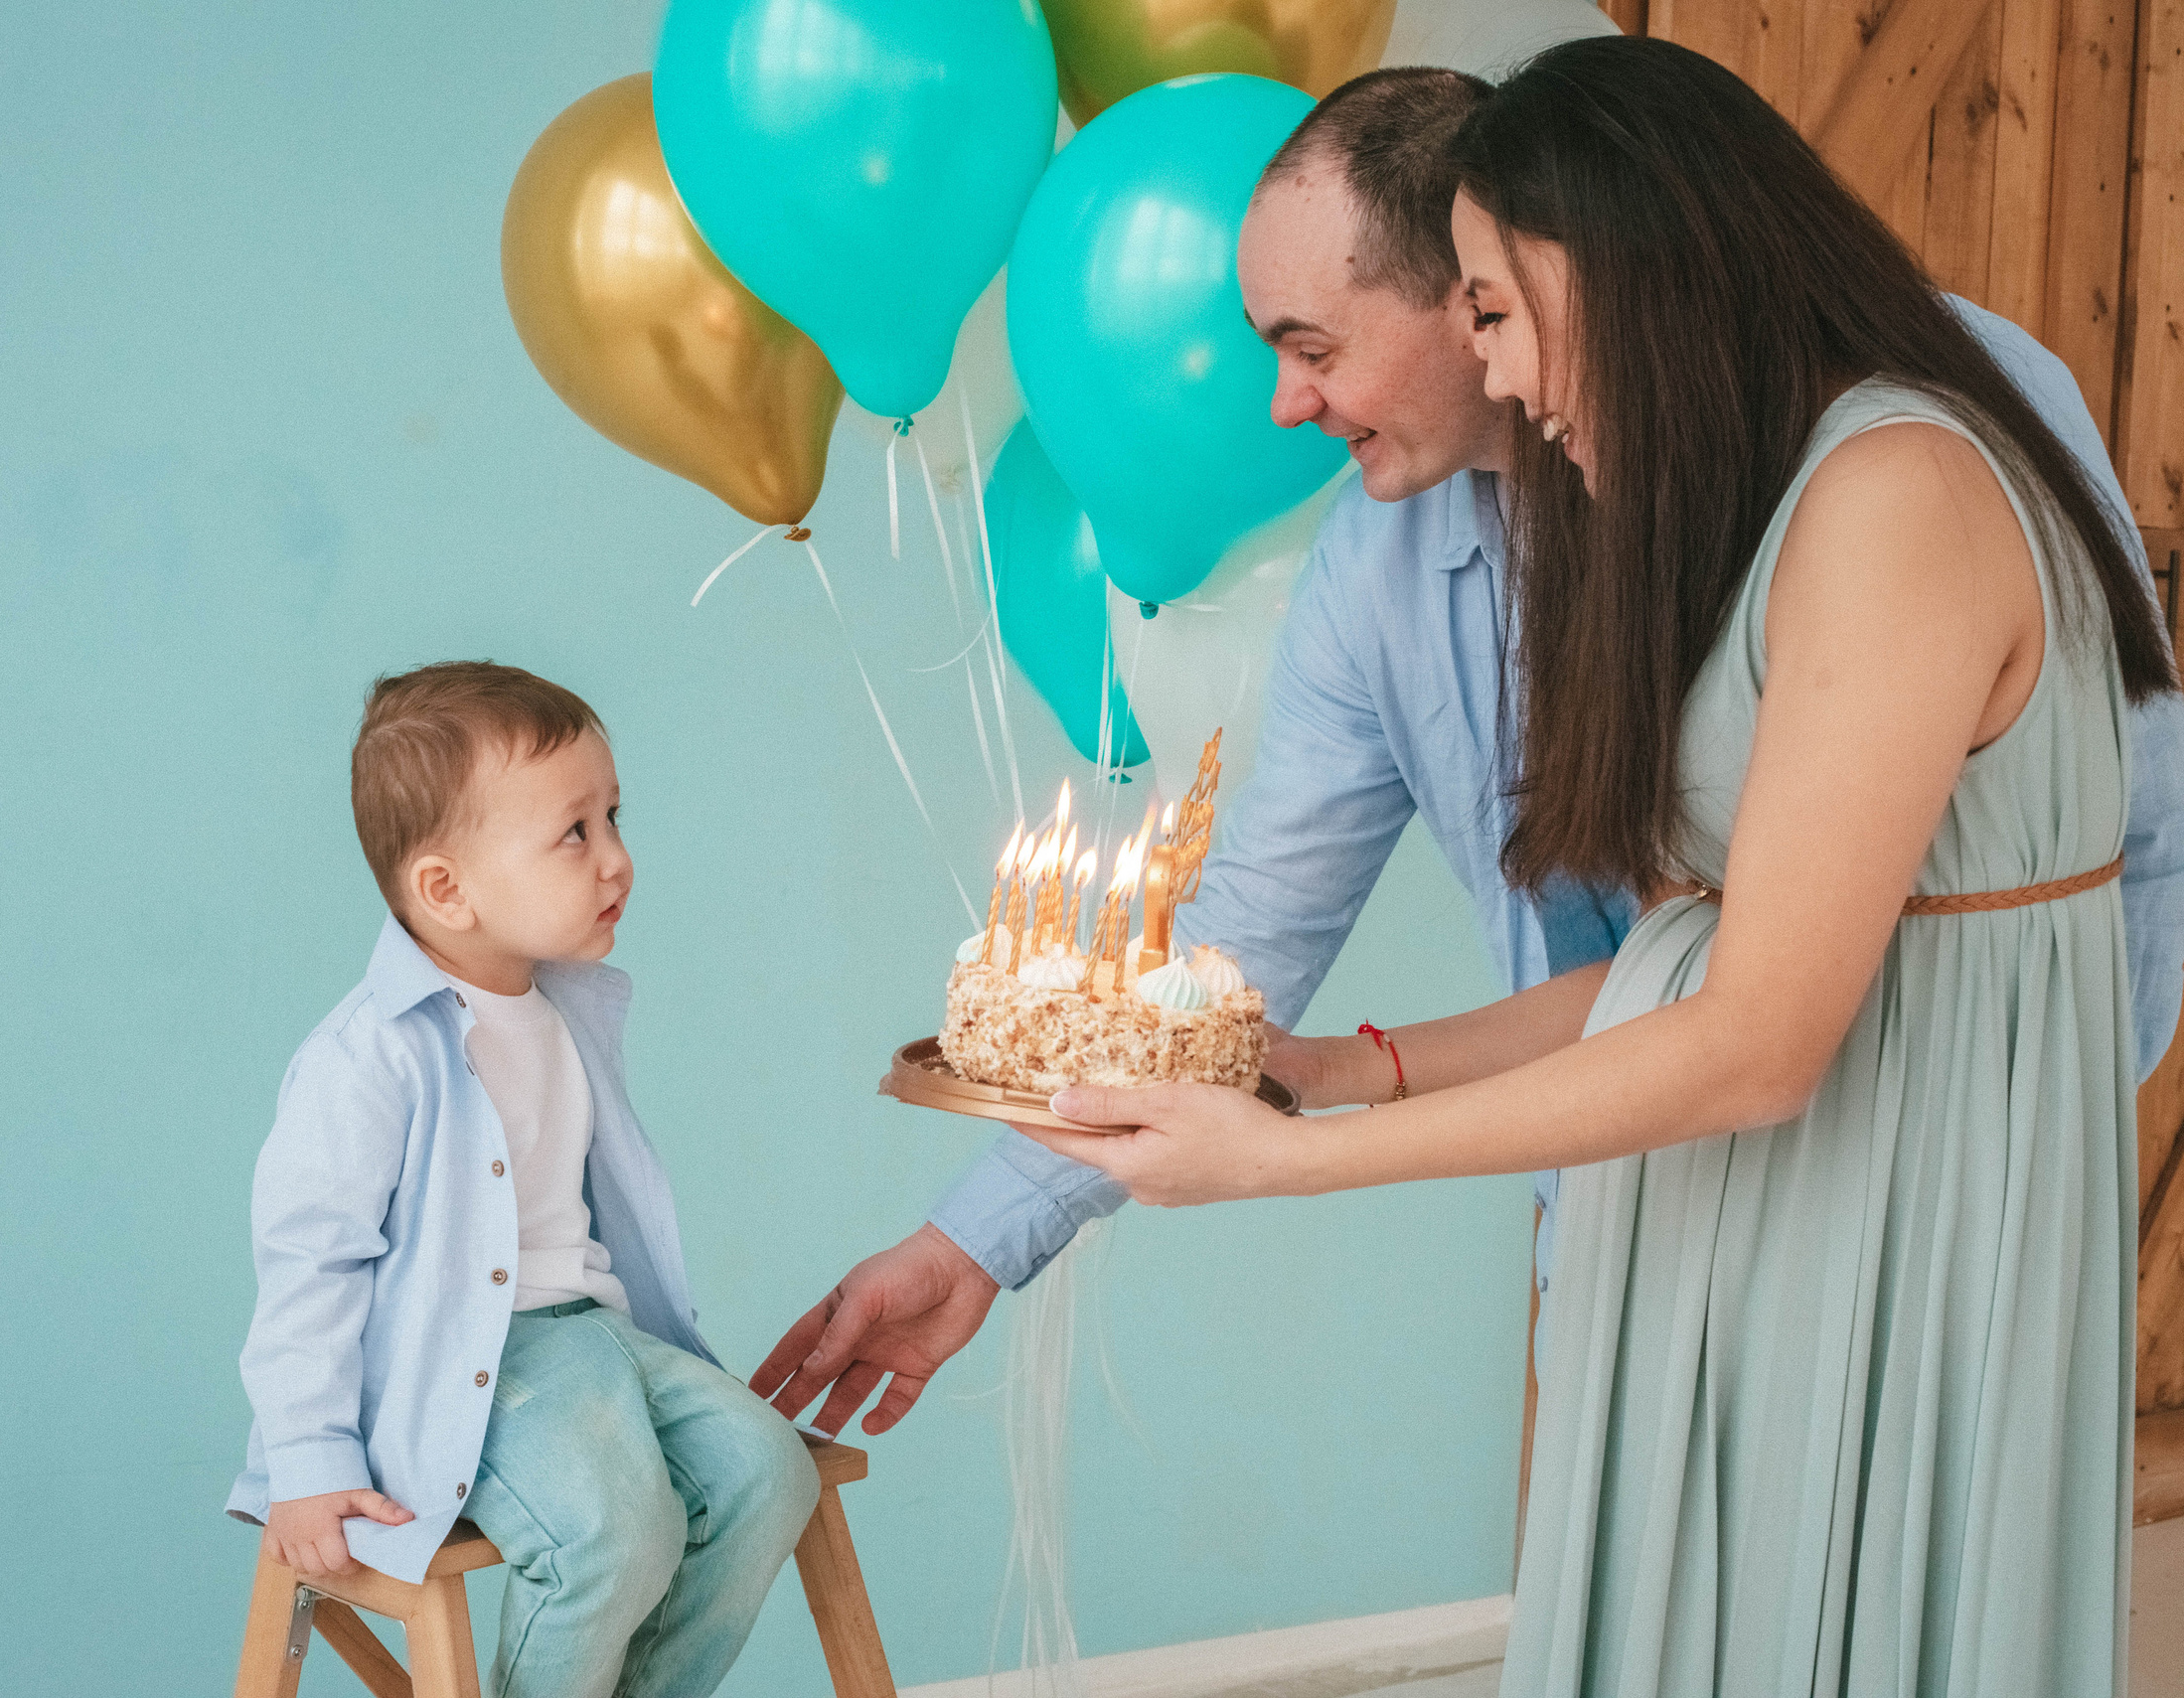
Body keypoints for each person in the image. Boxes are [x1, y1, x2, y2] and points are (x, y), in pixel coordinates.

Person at [751, 66, 2184, 1442]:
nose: (1285, 405)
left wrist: (2015, 1150)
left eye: (1315, 345)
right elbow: (1247, 936)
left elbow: (2118, 822)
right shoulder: (1375, 574)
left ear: (1479, 290)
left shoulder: (1908, 434)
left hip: (1918, 1194)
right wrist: (972, 1243)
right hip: (1608, 1198)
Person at [1007, 35, 2173, 1692]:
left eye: (1494, 309)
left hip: (1891, 1210)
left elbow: (1760, 1035)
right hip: (1751, 1203)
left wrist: (1286, 1164)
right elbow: (1693, 948)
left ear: (1625, 262)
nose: (1504, 370)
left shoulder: (1898, 488)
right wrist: (1343, 1069)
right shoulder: (1763, 499)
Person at [226, 662, 820, 1698]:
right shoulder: (369, 1055)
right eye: (574, 833)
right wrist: (310, 1455)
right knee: (614, 1530)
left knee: (770, 1472)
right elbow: (308, 1261)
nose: (617, 859)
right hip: (469, 1364)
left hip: (592, 1332)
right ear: (445, 888)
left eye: (614, 816)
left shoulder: (563, 1005)